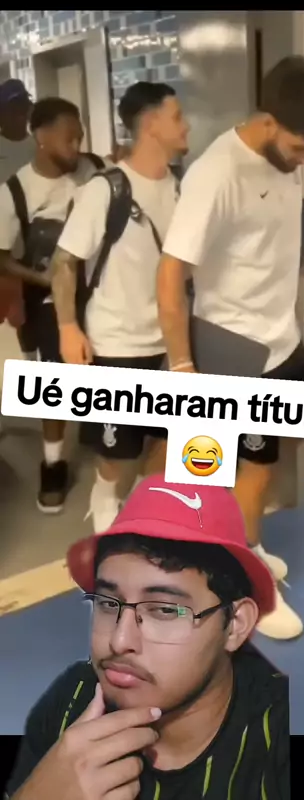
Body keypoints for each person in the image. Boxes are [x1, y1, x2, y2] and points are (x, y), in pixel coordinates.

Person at [157, 54, 304, 640]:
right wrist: (182, 366)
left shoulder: (284, 160)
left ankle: (246, 547)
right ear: (269, 121)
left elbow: (285, 227)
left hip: (278, 339)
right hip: (233, 345)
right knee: (241, 470)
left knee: (262, 464)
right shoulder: (217, 174)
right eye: (301, 146)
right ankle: (246, 591)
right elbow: (170, 274)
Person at [6, 474, 290, 800]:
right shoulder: (72, 700)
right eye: (107, 603)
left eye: (164, 610)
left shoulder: (284, 734)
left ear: (236, 624)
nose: (119, 641)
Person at [51, 82, 189, 533]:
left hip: (169, 344)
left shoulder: (182, 189)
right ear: (150, 125)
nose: (186, 125)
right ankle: (106, 501)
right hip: (116, 345)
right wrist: (68, 328)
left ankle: (140, 511)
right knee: (117, 455)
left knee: (173, 441)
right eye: (177, 116)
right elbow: (64, 262)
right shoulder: (106, 190)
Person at [0, 96, 103, 512]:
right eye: (68, 139)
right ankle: (54, 462)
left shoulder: (95, 171)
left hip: (98, 291)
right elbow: (1, 257)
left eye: (80, 137)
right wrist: (47, 280)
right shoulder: (15, 191)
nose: (76, 147)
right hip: (45, 297)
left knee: (107, 365)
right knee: (54, 381)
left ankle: (109, 441)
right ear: (41, 137)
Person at [0, 79, 35, 406]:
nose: (20, 113)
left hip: (32, 249)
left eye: (24, 106)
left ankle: (30, 372)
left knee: (29, 317)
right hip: (2, 249)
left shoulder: (38, 146)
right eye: (13, 107)